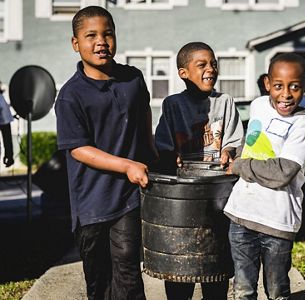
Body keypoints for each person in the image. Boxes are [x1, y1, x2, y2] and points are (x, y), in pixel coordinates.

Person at [55, 6, 156, 300]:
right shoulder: (71, 95)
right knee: (99, 277)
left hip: (128, 197)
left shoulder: (133, 79)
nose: (101, 41)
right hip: (91, 203)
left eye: (107, 33)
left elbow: (144, 113)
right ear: (76, 44)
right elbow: (78, 149)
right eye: (91, 36)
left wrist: (151, 152)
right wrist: (127, 165)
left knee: (127, 269)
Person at [224, 53, 305, 300]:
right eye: (278, 86)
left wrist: (239, 167)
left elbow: (282, 172)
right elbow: (253, 145)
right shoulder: (258, 106)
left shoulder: (303, 124)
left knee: (277, 290)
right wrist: (232, 153)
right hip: (242, 214)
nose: (286, 94)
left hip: (277, 221)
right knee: (243, 289)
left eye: (295, 87)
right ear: (267, 83)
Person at [155, 41, 244, 300]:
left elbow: (236, 140)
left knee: (215, 271)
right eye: (202, 64)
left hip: (217, 196)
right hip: (183, 202)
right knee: (180, 271)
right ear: (183, 73)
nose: (211, 69)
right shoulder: (172, 105)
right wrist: (171, 158)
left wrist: (228, 151)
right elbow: (163, 145)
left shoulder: (225, 102)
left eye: (214, 64)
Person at [0, 84, 14, 168]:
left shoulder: (1, 97)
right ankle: (9, 157)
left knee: (7, 140)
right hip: (5, 121)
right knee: (7, 140)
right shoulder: (1, 97)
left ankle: (9, 157)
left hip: (4, 121)